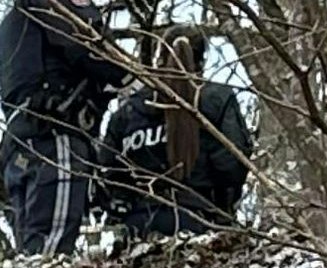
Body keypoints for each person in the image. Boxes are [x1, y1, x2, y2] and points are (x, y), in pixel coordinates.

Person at [0, 0, 129, 251]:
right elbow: (90, 49)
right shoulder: (52, 8)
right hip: (55, 134)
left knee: (31, 243)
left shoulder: (14, 22)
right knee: (53, 242)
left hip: (21, 139)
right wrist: (128, 73)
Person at [101, 33, 255, 236]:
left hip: (139, 223)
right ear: (201, 61)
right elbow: (232, 164)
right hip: (201, 220)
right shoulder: (218, 99)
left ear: (159, 59)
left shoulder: (129, 110)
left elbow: (109, 170)